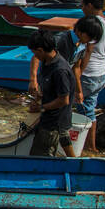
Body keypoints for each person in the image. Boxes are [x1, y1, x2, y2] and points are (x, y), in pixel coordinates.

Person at [27, 28, 73, 156]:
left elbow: (64, 100)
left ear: (40, 50)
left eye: (35, 53)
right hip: (49, 117)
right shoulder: (46, 62)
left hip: (54, 122)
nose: (35, 57)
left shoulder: (60, 70)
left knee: (40, 156)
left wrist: (42, 108)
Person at [71, 16, 105, 153]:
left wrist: (78, 83)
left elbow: (86, 55)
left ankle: (77, 146)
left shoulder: (89, 28)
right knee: (89, 111)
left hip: (88, 76)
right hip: (101, 73)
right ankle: (91, 147)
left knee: (74, 108)